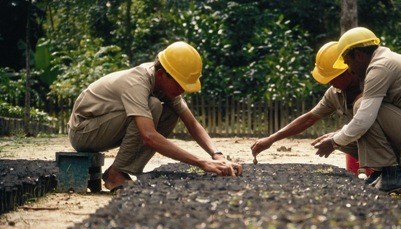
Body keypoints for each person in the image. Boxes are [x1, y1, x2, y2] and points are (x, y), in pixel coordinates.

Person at [68, 41, 243, 192]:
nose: (182, 90)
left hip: (106, 127)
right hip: (84, 131)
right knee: (153, 106)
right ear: (161, 75)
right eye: (180, 84)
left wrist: (217, 155)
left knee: (169, 112)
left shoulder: (164, 85)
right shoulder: (138, 82)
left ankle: (117, 170)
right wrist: (202, 163)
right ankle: (115, 175)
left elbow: (192, 123)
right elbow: (149, 136)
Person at [314, 27, 401, 194]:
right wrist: (336, 138)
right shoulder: (382, 61)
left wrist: (333, 141)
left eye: (347, 62)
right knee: (351, 130)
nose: (349, 69)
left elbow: (364, 120)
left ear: (358, 56)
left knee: (361, 109)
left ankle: (392, 173)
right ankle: (388, 170)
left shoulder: (380, 67)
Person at [251, 41, 361, 161]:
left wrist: (336, 137)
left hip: (381, 139)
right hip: (363, 139)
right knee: (337, 139)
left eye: (332, 78)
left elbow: (368, 124)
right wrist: (271, 139)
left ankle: (381, 169)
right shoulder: (334, 92)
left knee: (340, 138)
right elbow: (309, 118)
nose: (330, 83)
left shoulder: (373, 85)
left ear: (348, 72)